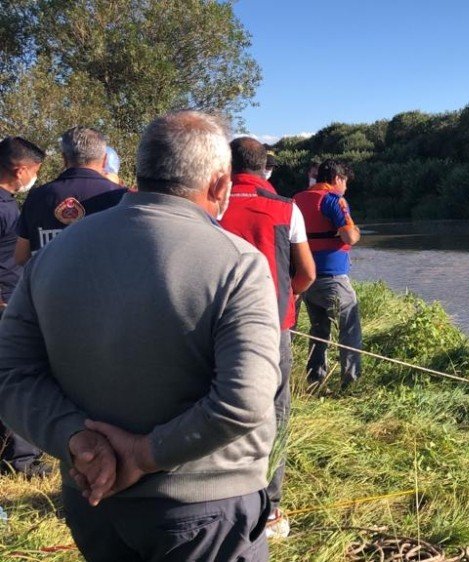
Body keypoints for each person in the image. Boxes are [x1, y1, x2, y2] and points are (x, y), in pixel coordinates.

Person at [0, 110, 280, 561]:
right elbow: (244, 401)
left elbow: (11, 373)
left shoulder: (51, 257)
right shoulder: (237, 263)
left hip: (93, 500)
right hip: (203, 507)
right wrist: (145, 454)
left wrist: (78, 441)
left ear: (140, 172)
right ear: (219, 185)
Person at [221, 136, 316, 540]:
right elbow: (307, 273)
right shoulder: (284, 207)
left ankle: (217, 499)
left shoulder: (209, 202)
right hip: (272, 328)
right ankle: (270, 509)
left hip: (212, 326)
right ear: (266, 167)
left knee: (214, 406)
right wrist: (285, 301)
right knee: (274, 414)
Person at [0, 136, 48, 478]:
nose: (34, 178)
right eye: (34, 171)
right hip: (4, 305)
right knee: (19, 378)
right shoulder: (5, 209)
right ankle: (23, 461)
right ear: (20, 170)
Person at [293, 159, 362, 390]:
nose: (346, 187)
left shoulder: (297, 200)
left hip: (306, 278)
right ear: (337, 179)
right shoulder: (333, 200)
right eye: (345, 182)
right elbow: (350, 237)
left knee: (319, 331)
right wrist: (357, 232)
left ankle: (314, 381)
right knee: (349, 329)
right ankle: (351, 382)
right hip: (333, 279)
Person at [14, 127, 126, 264]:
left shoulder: (37, 197)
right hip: (105, 283)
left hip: (49, 283)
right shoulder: (122, 197)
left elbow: (21, 257)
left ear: (64, 158)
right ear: (105, 159)